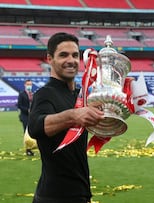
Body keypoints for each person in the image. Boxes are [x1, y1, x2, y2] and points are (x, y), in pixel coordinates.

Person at [28, 32, 105, 203]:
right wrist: (74, 115)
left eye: (75, 55)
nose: (71, 60)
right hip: (54, 197)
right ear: (49, 59)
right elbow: (35, 127)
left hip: (80, 193)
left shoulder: (81, 96)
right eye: (63, 55)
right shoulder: (45, 94)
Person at [17, 79, 35, 156]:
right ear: (25, 85)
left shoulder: (33, 94)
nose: (29, 86)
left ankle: (32, 147)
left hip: (32, 117)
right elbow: (19, 105)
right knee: (26, 132)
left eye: (30, 84)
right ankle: (28, 149)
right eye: (28, 84)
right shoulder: (22, 94)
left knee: (32, 132)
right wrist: (26, 110)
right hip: (24, 116)